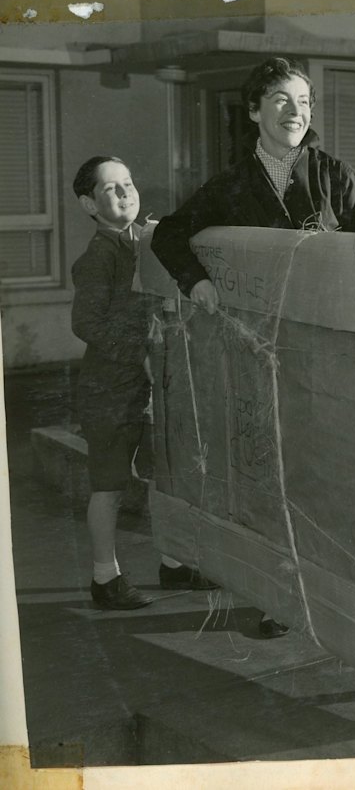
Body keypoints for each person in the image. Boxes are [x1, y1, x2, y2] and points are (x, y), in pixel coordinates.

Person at [151, 56, 355, 636]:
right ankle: (277, 599)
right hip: (261, 354)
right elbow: (168, 233)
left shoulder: (331, 170)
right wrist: (198, 281)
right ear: (256, 109)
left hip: (328, 353)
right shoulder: (230, 186)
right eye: (283, 100)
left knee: (328, 471)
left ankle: (337, 598)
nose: (296, 111)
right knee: (274, 473)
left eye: (305, 101)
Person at [71, 155, 218, 610]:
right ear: (88, 204)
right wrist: (143, 352)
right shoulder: (99, 255)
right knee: (110, 486)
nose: (125, 193)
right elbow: (87, 324)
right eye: (110, 189)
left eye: (128, 183)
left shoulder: (146, 243)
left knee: (166, 475)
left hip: (152, 382)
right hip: (111, 388)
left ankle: (173, 563)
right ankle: (104, 578)